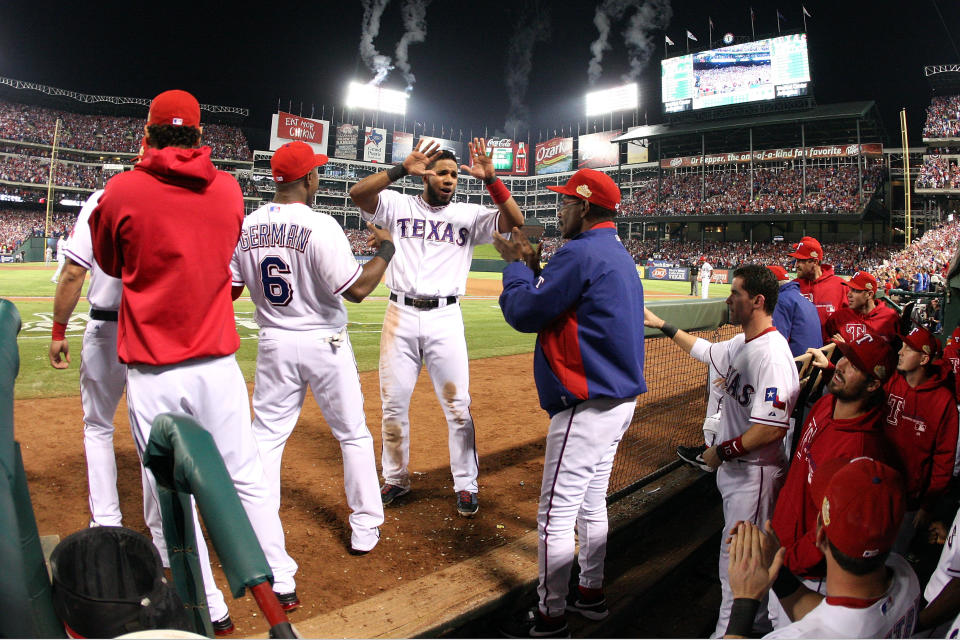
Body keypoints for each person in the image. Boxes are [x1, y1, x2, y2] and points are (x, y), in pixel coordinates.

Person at [89, 89, 298, 633]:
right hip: (218, 368)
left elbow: (111, 262)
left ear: (149, 133)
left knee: (168, 495)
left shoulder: (124, 190)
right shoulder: (229, 190)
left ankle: (211, 604)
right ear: (200, 136)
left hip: (155, 371)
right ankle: (278, 577)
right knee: (245, 475)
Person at [493, 169, 646, 638]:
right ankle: (592, 594)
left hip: (587, 404)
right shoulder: (614, 251)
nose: (559, 210)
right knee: (591, 504)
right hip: (618, 402)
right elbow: (563, 303)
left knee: (554, 517)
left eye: (564, 203)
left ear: (584, 207)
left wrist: (519, 266)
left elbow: (524, 313)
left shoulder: (580, 252)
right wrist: (536, 269)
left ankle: (551, 616)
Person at [229, 141, 393, 555]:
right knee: (352, 434)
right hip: (324, 342)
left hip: (274, 342)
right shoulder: (320, 224)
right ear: (308, 179)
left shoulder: (247, 225)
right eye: (316, 171)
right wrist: (388, 250)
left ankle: (255, 526)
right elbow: (356, 289)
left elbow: (229, 290)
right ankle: (365, 525)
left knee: (266, 436)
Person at [348, 138, 524, 517]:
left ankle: (466, 483)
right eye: (443, 173)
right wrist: (398, 170)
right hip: (401, 314)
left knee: (458, 406)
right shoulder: (398, 204)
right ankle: (395, 478)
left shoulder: (469, 214)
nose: (450, 180)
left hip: (446, 317)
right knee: (393, 405)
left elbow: (516, 221)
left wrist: (492, 179)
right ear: (426, 175)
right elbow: (357, 194)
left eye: (455, 175)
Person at [645, 263, 800, 637]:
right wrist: (660, 322)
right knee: (741, 560)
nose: (728, 300)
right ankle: (755, 627)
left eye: (736, 294)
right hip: (739, 474)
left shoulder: (772, 355)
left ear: (758, 301)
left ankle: (730, 634)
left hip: (755, 475)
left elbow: (770, 429)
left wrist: (722, 451)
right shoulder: (742, 342)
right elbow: (705, 351)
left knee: (739, 566)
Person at [48, 189, 160, 539]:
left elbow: (72, 272)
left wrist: (58, 330)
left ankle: (107, 523)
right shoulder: (176, 198)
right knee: (156, 433)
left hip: (106, 327)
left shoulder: (103, 198)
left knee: (97, 426)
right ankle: (162, 535)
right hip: (155, 331)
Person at [725, 457, 920, 638]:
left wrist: (744, 602)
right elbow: (833, 619)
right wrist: (777, 569)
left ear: (820, 535)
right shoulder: (906, 577)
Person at [770, 333, 897, 599]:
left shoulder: (859, 453)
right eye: (844, 358)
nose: (840, 365)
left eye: (854, 365)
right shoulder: (827, 403)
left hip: (805, 575)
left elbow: (832, 528)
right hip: (781, 545)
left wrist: (788, 562)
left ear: (873, 383)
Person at [883, 325, 958, 553]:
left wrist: (928, 506)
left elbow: (944, 460)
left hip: (910, 501)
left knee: (895, 558)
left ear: (924, 358)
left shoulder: (943, 401)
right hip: (878, 486)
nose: (900, 352)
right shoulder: (893, 382)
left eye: (908, 348)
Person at [788, 236, 848, 341]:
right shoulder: (793, 287)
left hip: (830, 353)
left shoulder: (840, 286)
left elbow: (851, 320)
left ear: (815, 262)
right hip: (800, 353)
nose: (796, 265)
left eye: (801, 261)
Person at [917, 502, 960, 636]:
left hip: (942, 611)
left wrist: (915, 626)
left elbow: (958, 588)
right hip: (937, 601)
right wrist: (950, 539)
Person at [824, 271, 899, 345]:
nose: (849, 294)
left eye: (855, 290)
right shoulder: (838, 317)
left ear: (869, 294)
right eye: (850, 289)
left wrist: (848, 350)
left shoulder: (890, 317)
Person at [768, 265, 822, 357]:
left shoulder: (780, 300)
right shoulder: (804, 299)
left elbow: (775, 343)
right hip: (812, 362)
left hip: (796, 364)